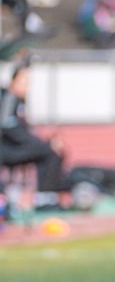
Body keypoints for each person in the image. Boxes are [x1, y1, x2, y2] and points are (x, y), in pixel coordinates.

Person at [0, 62, 68, 208]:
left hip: (18, 147)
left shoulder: (19, 100)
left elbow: (23, 130)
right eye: (24, 81)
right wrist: (40, 143)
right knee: (50, 150)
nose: (27, 86)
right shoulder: (9, 97)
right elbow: (8, 127)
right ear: (14, 81)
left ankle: (48, 196)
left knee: (51, 150)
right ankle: (46, 199)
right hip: (7, 150)